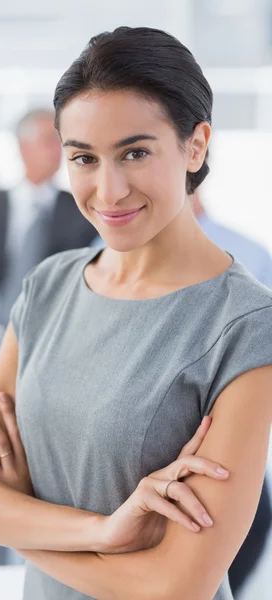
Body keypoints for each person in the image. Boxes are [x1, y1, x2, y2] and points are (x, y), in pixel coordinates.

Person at [0, 27, 272, 600]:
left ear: (195, 145)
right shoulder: (49, 286)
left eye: (135, 152)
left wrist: (15, 517)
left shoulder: (244, 325)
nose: (108, 190)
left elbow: (173, 586)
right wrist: (103, 532)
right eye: (84, 158)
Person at [92, 187, 272, 595]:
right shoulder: (100, 250)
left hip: (224, 471)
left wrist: (33, 541)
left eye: (140, 153)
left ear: (193, 154)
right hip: (118, 476)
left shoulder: (250, 256)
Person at [0, 109, 97, 321]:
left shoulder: (82, 211)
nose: (57, 150)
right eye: (48, 141)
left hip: (56, 323)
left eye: (62, 142)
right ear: (23, 147)